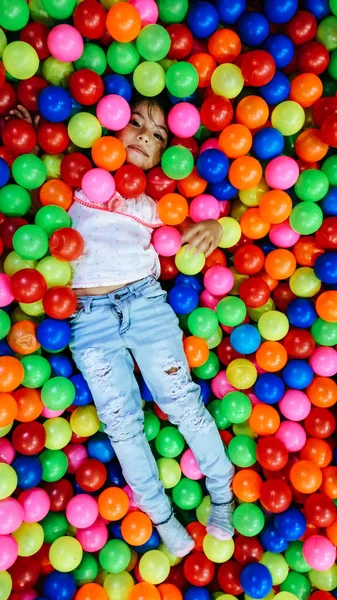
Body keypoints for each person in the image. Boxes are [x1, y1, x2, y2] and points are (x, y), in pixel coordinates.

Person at [9, 98, 235, 557]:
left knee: (183, 403)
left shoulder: (153, 204)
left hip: (144, 304)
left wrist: (212, 224)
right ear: (108, 128)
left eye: (156, 136)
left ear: (161, 159)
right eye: (135, 123)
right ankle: (162, 517)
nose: (142, 136)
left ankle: (224, 491)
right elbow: (33, 195)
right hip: (88, 320)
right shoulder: (75, 184)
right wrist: (24, 145)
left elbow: (191, 229)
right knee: (122, 424)